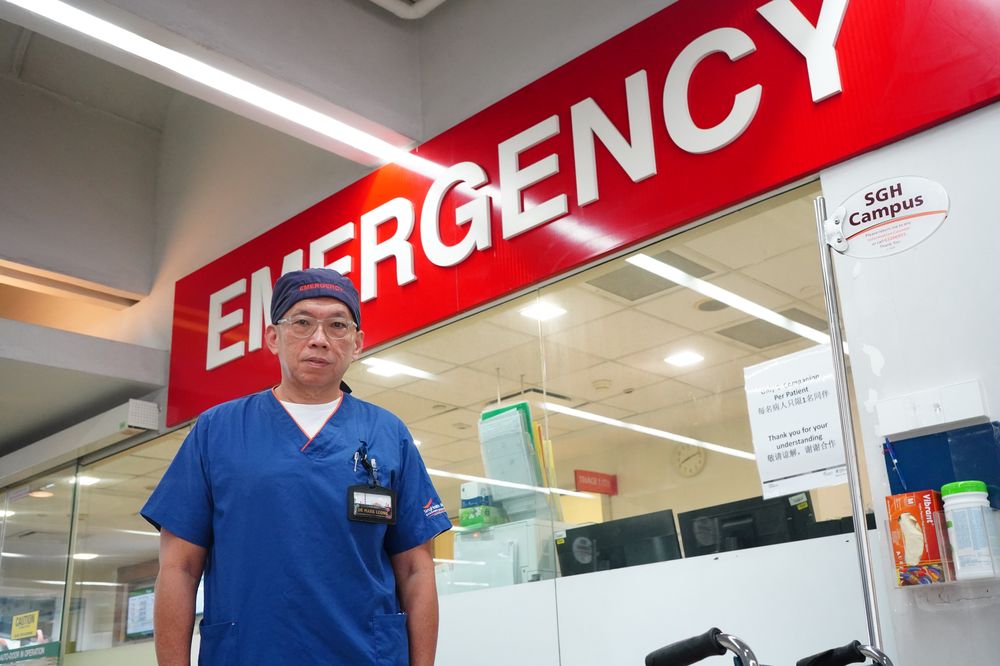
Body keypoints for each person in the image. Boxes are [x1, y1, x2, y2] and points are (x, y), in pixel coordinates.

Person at [141, 267, 451, 666]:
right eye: (302, 322)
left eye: (337, 325)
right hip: (250, 653)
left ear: (356, 343)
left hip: (366, 655)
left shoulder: (388, 434)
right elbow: (179, 567)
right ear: (273, 337)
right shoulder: (217, 431)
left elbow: (416, 570)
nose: (319, 339)